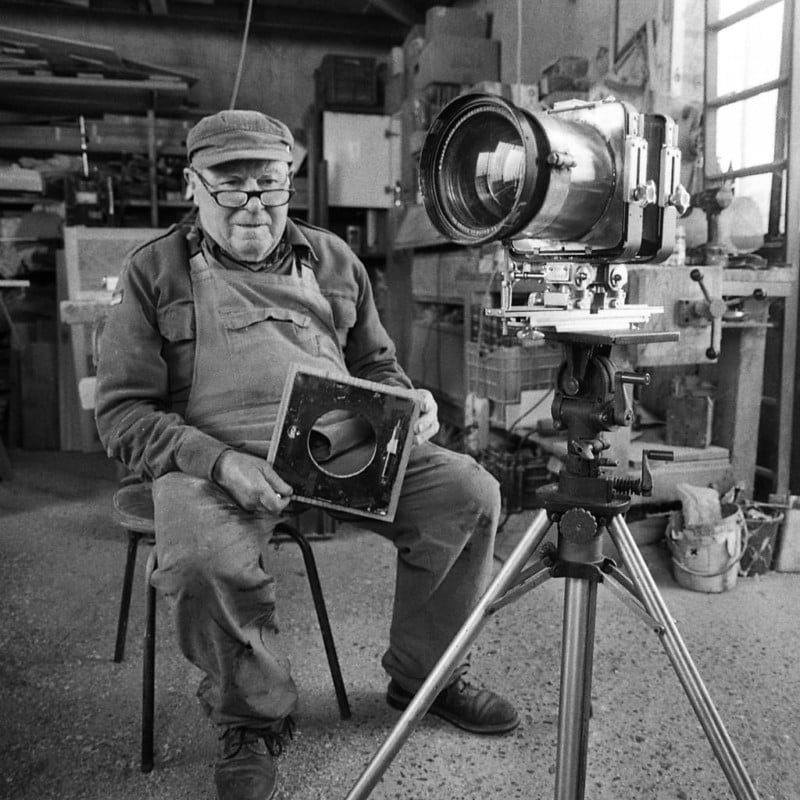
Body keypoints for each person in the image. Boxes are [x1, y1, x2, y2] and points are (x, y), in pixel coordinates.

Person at [94, 109, 519, 800]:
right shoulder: (153, 273)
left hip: (337, 446)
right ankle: (251, 720)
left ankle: (426, 676)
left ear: (289, 181)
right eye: (231, 184)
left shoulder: (333, 259)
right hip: (214, 463)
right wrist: (219, 461)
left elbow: (376, 364)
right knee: (205, 560)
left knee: (467, 494)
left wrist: (406, 405)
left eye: (268, 182)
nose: (253, 202)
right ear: (192, 186)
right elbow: (121, 415)